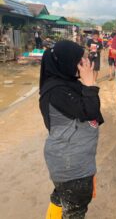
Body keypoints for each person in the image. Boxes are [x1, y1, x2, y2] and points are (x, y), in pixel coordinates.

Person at [39, 40, 104, 218]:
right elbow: (90, 111)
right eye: (79, 60)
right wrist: (90, 84)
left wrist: (86, 85)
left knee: (60, 199)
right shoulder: (58, 91)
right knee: (74, 211)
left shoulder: (64, 84)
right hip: (72, 167)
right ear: (65, 62)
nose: (84, 64)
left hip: (67, 161)